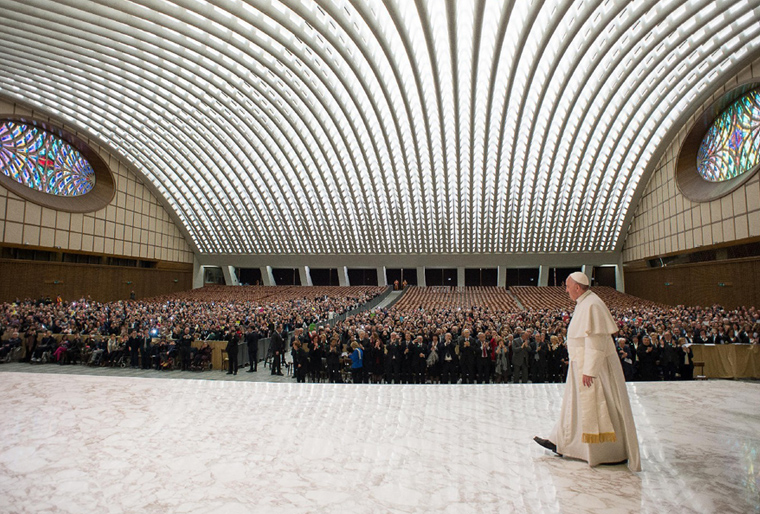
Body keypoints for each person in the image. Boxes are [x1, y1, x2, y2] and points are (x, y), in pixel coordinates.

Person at [534, 272, 641, 472]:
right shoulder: (584, 303)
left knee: (598, 407)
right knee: (573, 406)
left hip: (593, 368)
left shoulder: (592, 304)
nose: (565, 290)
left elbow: (596, 340)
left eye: (567, 286)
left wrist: (590, 371)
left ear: (577, 287)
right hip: (581, 364)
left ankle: (607, 451)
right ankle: (562, 441)